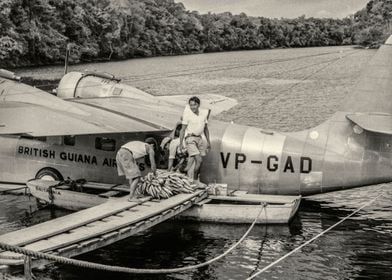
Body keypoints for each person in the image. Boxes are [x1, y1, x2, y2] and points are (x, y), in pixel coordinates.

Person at [179, 96, 210, 182]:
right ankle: (195, 181)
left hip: (199, 139)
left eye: (194, 105)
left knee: (200, 162)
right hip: (190, 139)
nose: (193, 107)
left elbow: (206, 129)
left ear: (198, 105)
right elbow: (182, 130)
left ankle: (194, 178)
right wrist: (181, 143)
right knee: (199, 160)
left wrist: (208, 141)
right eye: (191, 105)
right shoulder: (187, 115)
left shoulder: (203, 114)